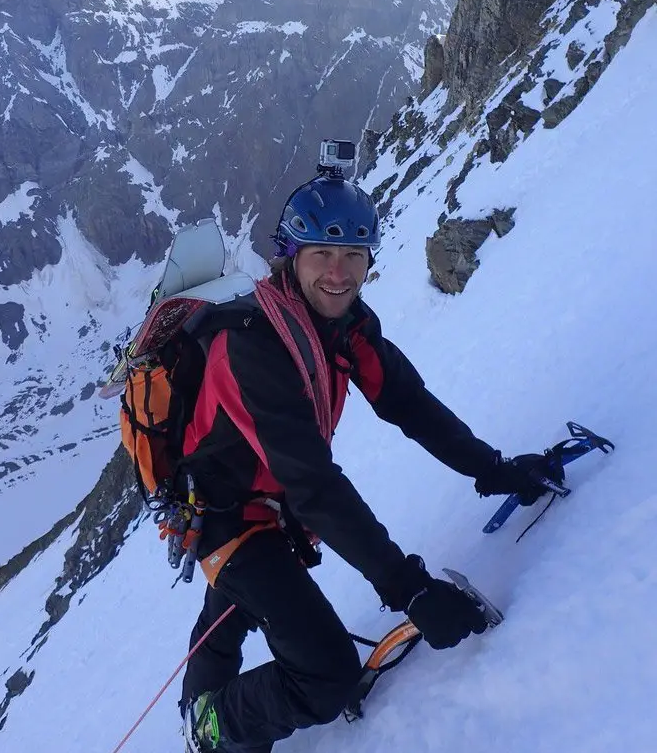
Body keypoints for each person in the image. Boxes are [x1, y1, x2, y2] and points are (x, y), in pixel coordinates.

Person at [180, 173, 562, 753]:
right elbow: (314, 485)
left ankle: (200, 702)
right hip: (226, 517)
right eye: (323, 254)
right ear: (290, 256)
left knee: (239, 606)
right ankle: (213, 728)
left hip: (275, 501)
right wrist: (408, 588)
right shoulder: (252, 346)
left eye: (354, 255)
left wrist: (497, 470)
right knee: (327, 675)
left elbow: (408, 404)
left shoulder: (343, 323)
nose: (339, 273)